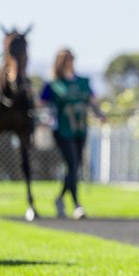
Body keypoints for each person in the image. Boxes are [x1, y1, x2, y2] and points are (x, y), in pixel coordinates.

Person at [41, 48, 104, 219]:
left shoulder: (82, 82)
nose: (70, 62)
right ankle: (76, 204)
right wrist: (45, 117)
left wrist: (100, 114)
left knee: (75, 167)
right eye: (66, 59)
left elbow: (92, 101)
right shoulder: (53, 84)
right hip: (62, 130)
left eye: (71, 59)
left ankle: (60, 198)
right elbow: (41, 104)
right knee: (72, 163)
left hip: (80, 129)